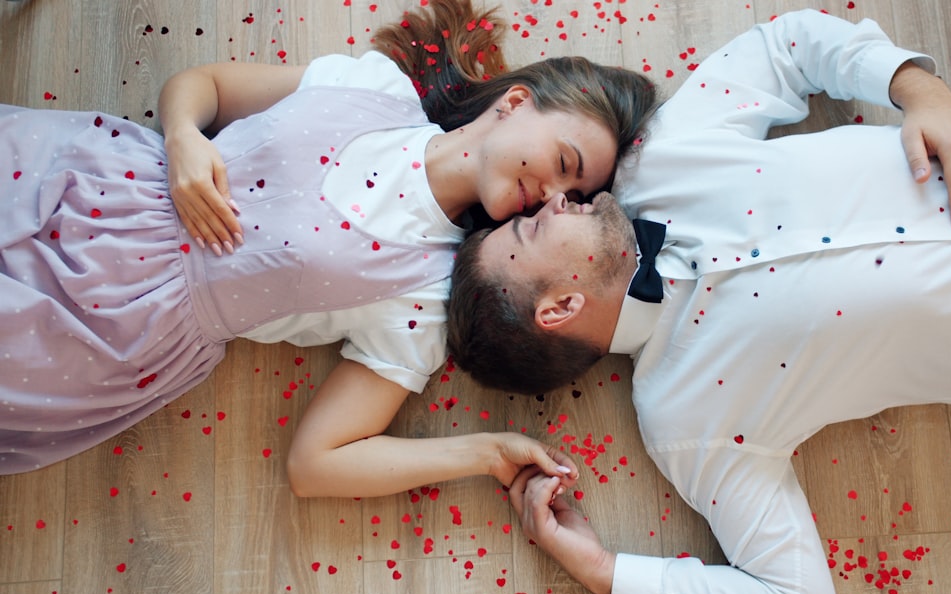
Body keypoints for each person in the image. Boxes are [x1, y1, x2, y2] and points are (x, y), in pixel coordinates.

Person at [445, 9, 951, 594]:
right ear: (559, 308)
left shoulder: (662, 157)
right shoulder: (687, 421)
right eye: (529, 231)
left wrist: (920, 90)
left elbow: (789, 46)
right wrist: (606, 573)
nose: (554, 204)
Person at [0, 0, 658, 501]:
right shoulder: (374, 89)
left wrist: (486, 452)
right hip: (97, 173)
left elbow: (316, 465)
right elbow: (205, 86)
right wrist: (182, 140)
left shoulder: (424, 295)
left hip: (114, 322)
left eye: (571, 194)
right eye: (564, 162)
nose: (549, 195)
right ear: (517, 103)